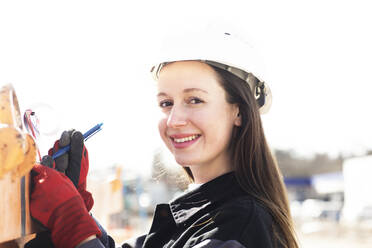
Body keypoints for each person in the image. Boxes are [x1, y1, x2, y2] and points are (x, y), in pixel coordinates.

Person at [25, 31, 299, 248]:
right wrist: (80, 211)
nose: (174, 119)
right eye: (166, 103)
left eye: (195, 100)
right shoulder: (193, 216)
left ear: (238, 110)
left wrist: (73, 225)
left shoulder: (239, 226)